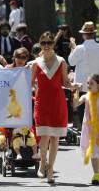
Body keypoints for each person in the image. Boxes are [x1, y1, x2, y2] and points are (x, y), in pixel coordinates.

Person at [32, 31, 73, 184]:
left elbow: (65, 82)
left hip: (57, 101)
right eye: (44, 43)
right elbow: (28, 84)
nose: (47, 46)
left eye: (49, 43)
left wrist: (73, 85)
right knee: (44, 136)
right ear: (40, 45)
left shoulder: (61, 61)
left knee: (55, 137)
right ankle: (42, 163)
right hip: (42, 102)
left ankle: (50, 169)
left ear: (53, 44)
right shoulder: (36, 63)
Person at [69, 21, 99, 125]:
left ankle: (86, 138)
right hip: (97, 86)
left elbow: (71, 61)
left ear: (84, 34)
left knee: (84, 117)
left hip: (82, 86)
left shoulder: (79, 48)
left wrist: (73, 47)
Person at [74, 74, 99, 185]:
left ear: (98, 85)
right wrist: (76, 92)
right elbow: (75, 104)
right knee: (93, 151)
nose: (88, 85)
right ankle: (96, 174)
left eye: (91, 83)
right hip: (90, 129)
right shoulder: (86, 96)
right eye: (88, 83)